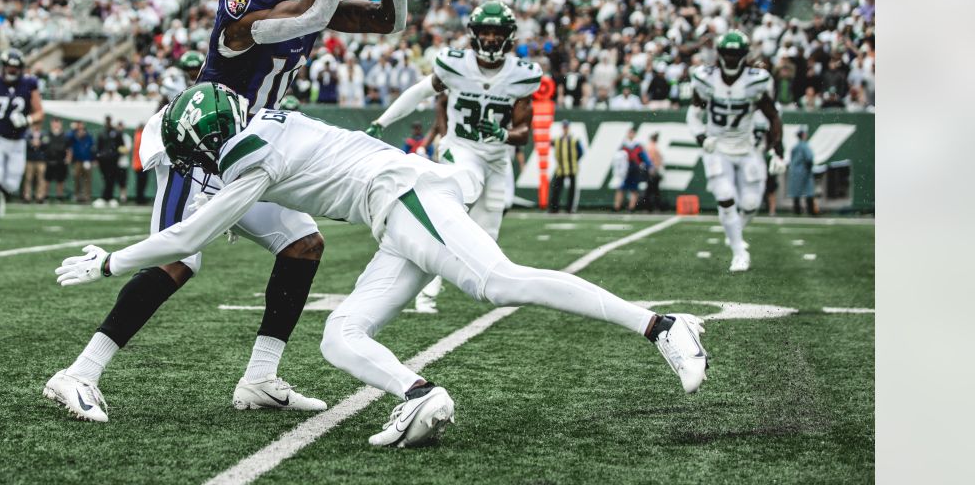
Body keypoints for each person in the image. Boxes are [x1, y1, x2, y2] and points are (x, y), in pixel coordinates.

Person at [54, 84, 709, 448]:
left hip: (406, 196)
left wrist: (107, 261)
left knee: (496, 282)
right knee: (341, 336)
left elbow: (189, 233)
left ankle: (662, 326)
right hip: (391, 214)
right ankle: (423, 399)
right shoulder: (261, 133)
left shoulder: (251, 154)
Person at [43, 0, 402, 423]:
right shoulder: (247, 0)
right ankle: (78, 374)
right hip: (202, 142)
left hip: (253, 149)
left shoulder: (299, 0)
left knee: (302, 245)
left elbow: (389, 21)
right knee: (178, 259)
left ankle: (260, 377)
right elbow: (313, 11)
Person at [366, 2, 541, 314]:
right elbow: (420, 92)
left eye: (496, 32)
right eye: (484, 32)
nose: (489, 38)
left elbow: (523, 131)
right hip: (461, 148)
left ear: (508, 37)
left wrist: (503, 135)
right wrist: (382, 121)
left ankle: (479, 290)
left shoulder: (521, 75)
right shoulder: (455, 64)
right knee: (458, 201)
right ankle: (425, 293)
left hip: (497, 159)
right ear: (473, 35)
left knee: (486, 238)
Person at [687, 31, 786, 273]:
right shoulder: (705, 78)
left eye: (736, 54)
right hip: (718, 147)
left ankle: (735, 231)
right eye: (727, 53)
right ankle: (739, 251)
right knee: (725, 195)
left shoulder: (756, 80)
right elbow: (693, 114)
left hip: (746, 146)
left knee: (751, 203)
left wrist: (778, 150)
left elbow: (773, 116)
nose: (731, 59)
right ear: (720, 54)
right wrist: (702, 137)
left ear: (743, 55)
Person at [0, 49, 44, 233]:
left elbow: (40, 113)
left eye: (15, 68)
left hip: (17, 140)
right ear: (2, 66)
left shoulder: (29, 83)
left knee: (11, 185)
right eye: (9, 67)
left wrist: (27, 120)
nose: (12, 71)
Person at [549, 120, 583, 214]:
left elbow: (580, 152)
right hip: (561, 168)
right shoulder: (558, 139)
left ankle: (570, 208)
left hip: (572, 167)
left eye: (566, 127)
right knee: (556, 188)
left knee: (572, 190)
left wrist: (574, 161)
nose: (565, 129)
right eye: (564, 127)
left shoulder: (574, 139)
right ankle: (554, 208)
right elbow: (549, 143)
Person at [614, 129, 650, 212]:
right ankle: (617, 207)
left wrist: (648, 165)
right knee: (620, 189)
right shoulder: (623, 145)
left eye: (632, 133)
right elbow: (618, 158)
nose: (630, 135)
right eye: (629, 133)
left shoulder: (638, 146)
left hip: (634, 169)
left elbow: (644, 158)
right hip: (625, 170)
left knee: (634, 190)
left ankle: (631, 208)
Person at [94, 116, 127, 207]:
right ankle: (107, 197)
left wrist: (117, 155)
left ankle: (107, 197)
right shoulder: (102, 133)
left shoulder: (116, 133)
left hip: (113, 160)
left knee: (111, 179)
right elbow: (98, 147)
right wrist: (98, 158)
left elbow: (121, 146)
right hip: (103, 161)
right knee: (106, 179)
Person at [788, 128, 819, 215]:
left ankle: (797, 210)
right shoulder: (805, 146)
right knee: (809, 190)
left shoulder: (795, 147)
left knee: (796, 192)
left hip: (794, 171)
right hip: (804, 170)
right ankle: (811, 210)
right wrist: (809, 168)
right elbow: (809, 158)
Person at [44, 118, 71, 202]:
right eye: (54, 122)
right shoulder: (47, 135)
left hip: (60, 160)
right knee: (47, 179)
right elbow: (43, 148)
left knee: (60, 180)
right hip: (49, 160)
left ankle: (59, 197)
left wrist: (68, 158)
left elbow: (69, 148)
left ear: (61, 124)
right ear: (51, 124)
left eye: (57, 123)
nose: (56, 125)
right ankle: (45, 196)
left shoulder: (65, 135)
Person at [68, 121, 95, 204]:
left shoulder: (89, 137)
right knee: (76, 178)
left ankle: (87, 196)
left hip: (87, 161)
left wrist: (93, 159)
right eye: (79, 129)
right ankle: (77, 195)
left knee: (87, 180)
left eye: (82, 129)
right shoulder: (74, 136)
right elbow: (67, 137)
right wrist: (73, 130)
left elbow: (93, 149)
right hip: (77, 161)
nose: (81, 131)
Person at [642, 132, 665, 212]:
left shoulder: (651, 147)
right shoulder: (652, 147)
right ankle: (650, 207)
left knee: (652, 190)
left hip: (652, 170)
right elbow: (650, 160)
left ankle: (649, 207)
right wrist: (652, 169)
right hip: (652, 171)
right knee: (652, 191)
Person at [24, 127, 48, 203]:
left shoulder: (44, 133)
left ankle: (40, 197)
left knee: (41, 179)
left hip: (40, 159)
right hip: (30, 159)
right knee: (28, 179)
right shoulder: (28, 133)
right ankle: (27, 196)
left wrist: (39, 143)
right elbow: (25, 142)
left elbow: (46, 143)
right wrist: (32, 143)